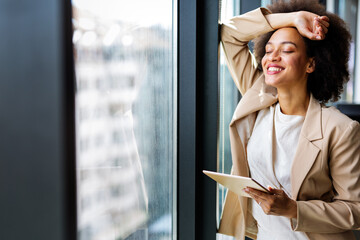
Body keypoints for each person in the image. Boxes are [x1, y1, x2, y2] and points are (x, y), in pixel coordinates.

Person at [218, 0, 360, 239]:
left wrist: (293, 209)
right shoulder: (257, 99)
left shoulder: (340, 129)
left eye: (287, 50)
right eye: (269, 49)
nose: (272, 57)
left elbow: (355, 210)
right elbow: (230, 33)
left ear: (311, 64)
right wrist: (292, 18)